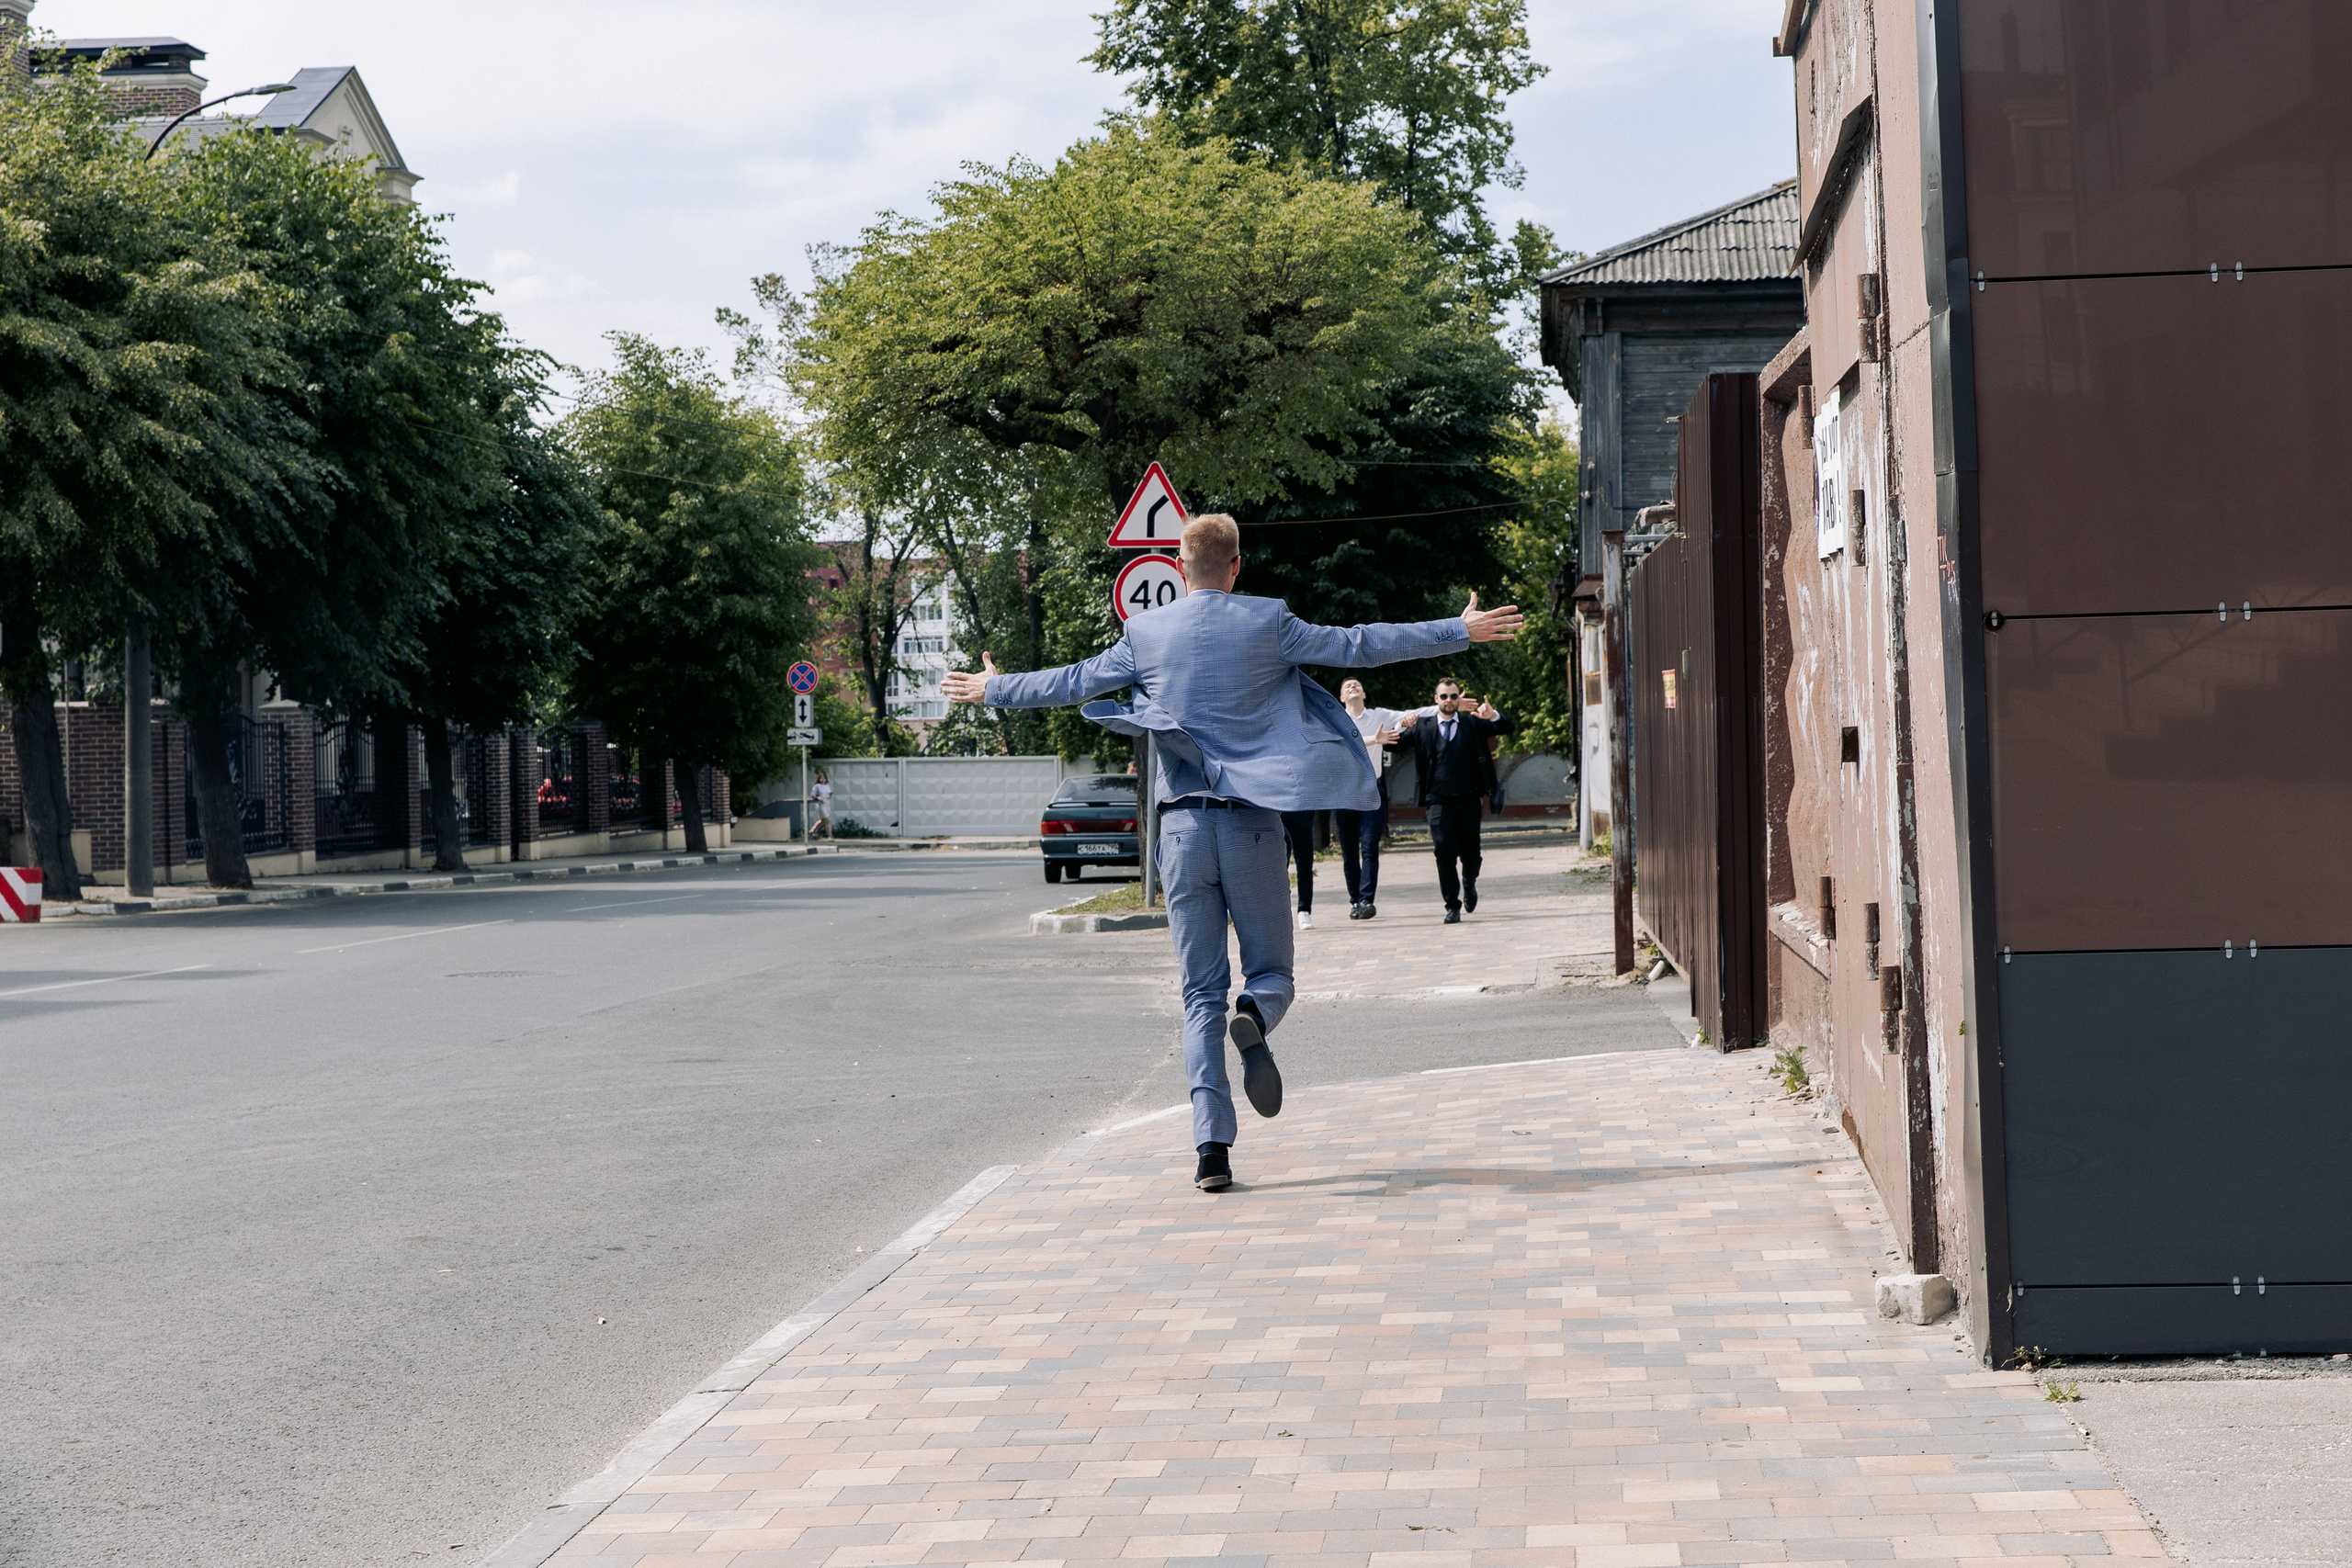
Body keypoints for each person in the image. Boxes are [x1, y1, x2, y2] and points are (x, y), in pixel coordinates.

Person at [944, 514, 1521, 1191]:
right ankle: (1256, 1017)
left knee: (1198, 995)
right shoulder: (1269, 621)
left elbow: (1072, 682)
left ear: (1180, 568)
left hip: (1181, 833)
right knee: (1272, 973)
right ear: (1237, 565)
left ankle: (1211, 1150)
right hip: (1251, 824)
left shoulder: (1146, 633)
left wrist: (994, 687)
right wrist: (1456, 629)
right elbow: (1359, 645)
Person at [1399, 679, 1515, 923]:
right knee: (1444, 850)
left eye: (1453, 697)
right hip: (1437, 801)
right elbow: (1392, 745)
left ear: (1458, 700)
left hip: (1469, 800)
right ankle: (1452, 905)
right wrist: (1401, 724)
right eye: (1444, 697)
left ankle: (1469, 883)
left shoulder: (1472, 723)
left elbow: (1508, 727)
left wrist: (1492, 715)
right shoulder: (1424, 727)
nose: (1449, 701)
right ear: (1436, 700)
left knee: (1472, 856)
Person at [1334, 678, 1434, 920]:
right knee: (1349, 851)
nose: (1353, 687)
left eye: (1357, 685)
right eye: (1347, 687)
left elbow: (1413, 714)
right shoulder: (1336, 719)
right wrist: (1374, 740)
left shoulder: (1378, 715)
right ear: (1341, 698)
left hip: (1371, 790)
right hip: (1344, 791)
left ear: (1364, 693)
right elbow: (1338, 744)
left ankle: (1366, 899)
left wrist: (1441, 708)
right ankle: (1355, 900)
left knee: (1369, 846)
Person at [1280, 810, 1318, 929]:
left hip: (1301, 808)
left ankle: (1304, 910)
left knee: (1304, 861)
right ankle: (1279, 911)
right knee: (1277, 864)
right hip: (1276, 808)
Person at [809, 770, 832, 840]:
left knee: (823, 821)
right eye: (821, 778)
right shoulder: (817, 786)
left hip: (827, 803)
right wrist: (817, 797)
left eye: (824, 778)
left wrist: (830, 795)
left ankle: (812, 830)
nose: (823, 780)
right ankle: (830, 836)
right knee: (827, 820)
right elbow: (813, 795)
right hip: (821, 804)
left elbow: (830, 794)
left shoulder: (827, 786)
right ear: (819, 779)